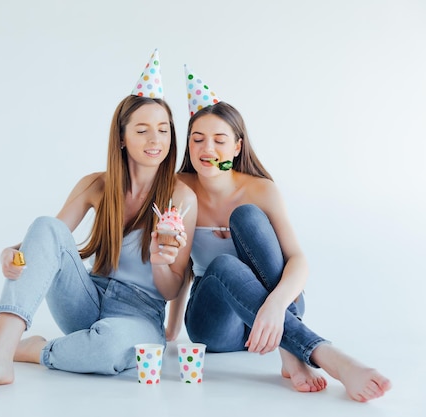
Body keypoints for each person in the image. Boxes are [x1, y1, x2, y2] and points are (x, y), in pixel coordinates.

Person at [0, 50, 197, 398]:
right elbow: (47, 240)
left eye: (163, 130)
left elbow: (172, 290)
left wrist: (160, 261)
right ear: (121, 138)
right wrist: (11, 254)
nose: (155, 140)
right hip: (86, 299)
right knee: (44, 223)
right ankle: (1, 353)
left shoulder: (182, 198)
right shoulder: (95, 185)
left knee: (108, 348)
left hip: (140, 315)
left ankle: (35, 350)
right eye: (142, 130)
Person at [166, 66, 391, 402]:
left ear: (238, 146)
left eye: (219, 139)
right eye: (197, 139)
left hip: (272, 314)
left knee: (247, 216)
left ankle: (289, 349)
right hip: (216, 326)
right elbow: (179, 265)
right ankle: (326, 357)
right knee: (225, 267)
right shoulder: (179, 189)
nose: (206, 148)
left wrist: (275, 306)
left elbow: (297, 260)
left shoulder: (261, 190)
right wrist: (170, 330)